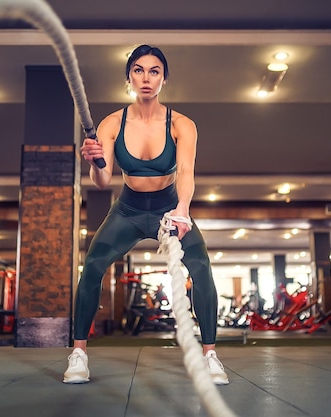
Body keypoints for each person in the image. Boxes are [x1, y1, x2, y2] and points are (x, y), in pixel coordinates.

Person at [64, 44, 228, 385]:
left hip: (171, 207)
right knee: (92, 265)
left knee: (200, 266)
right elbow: (101, 181)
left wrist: (182, 210)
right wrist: (93, 160)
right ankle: (78, 353)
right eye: (138, 70)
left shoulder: (182, 124)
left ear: (163, 78)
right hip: (128, 209)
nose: (146, 78)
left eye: (154, 71)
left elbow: (185, 171)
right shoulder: (112, 124)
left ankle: (211, 355)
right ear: (129, 77)